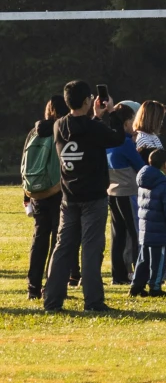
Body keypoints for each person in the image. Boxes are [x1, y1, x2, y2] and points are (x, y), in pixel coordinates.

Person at [42, 81, 116, 316]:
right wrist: (110, 113)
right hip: (93, 197)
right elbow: (116, 139)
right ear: (87, 101)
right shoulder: (93, 128)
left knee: (63, 248)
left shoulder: (58, 126)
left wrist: (94, 116)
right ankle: (93, 301)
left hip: (69, 197)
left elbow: (83, 132)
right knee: (91, 249)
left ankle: (52, 299)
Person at [20, 99, 65, 302]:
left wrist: (27, 195)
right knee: (58, 239)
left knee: (39, 239)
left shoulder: (34, 132)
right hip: (57, 190)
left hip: (37, 192)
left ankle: (33, 288)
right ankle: (52, 286)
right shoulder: (61, 130)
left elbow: (25, 162)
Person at [129, 147, 166, 300]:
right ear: (165, 165)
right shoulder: (164, 185)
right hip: (160, 230)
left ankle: (136, 286)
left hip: (146, 228)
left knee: (143, 260)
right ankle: (155, 287)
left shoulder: (143, 182)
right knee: (159, 261)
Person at [104, 105, 141, 285]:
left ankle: (117, 275)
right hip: (127, 191)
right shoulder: (125, 143)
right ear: (126, 123)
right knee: (135, 233)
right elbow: (140, 166)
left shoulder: (108, 141)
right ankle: (138, 272)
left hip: (112, 192)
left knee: (117, 235)